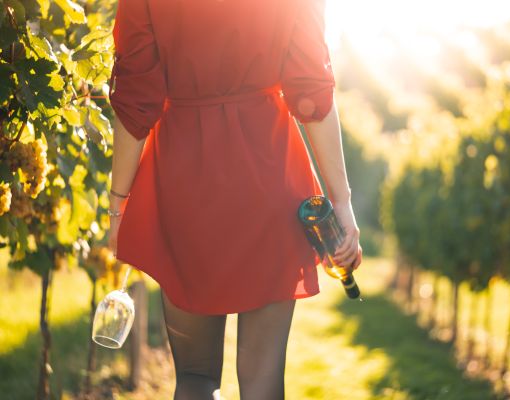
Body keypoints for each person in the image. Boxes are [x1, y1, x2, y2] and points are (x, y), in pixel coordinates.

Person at [106, 0, 362, 398]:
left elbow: (136, 97)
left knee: (195, 375)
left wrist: (118, 201)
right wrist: (341, 202)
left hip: (185, 182)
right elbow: (312, 90)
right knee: (263, 379)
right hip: (270, 176)